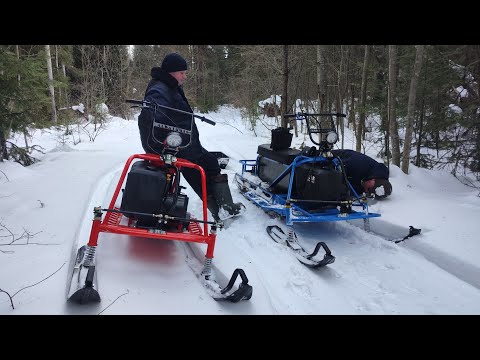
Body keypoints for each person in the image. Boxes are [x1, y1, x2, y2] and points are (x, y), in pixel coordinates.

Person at [137, 52, 245, 222]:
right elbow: (153, 114)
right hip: (171, 144)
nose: (185, 77)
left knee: (205, 164)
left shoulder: (169, 86)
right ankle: (221, 209)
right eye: (182, 73)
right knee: (201, 166)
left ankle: (221, 208)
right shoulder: (159, 89)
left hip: (181, 141)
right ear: (172, 72)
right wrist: (171, 137)